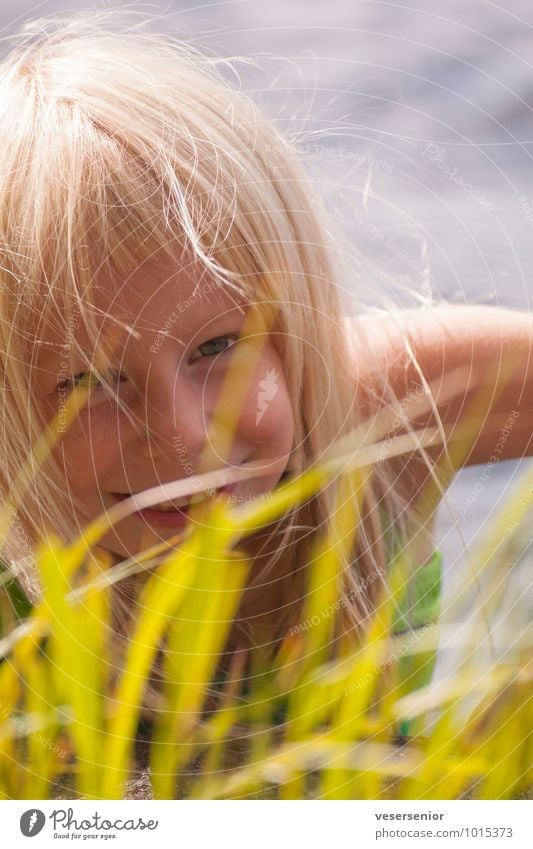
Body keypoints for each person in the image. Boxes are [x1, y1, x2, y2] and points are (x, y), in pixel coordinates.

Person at [0, 10, 531, 731]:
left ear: (296, 326)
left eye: (219, 347)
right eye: (90, 382)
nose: (181, 432)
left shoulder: (375, 420)